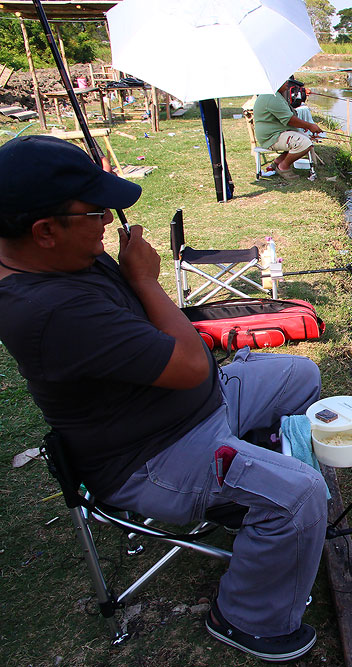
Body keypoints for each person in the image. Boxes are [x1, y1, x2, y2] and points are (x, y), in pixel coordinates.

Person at [0, 136, 327, 662]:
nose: (109, 221)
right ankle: (248, 618)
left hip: (196, 406)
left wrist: (131, 275)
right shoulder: (50, 311)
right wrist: (146, 282)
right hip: (151, 454)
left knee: (299, 375)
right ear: (43, 231)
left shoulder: (62, 257)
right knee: (301, 495)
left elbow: (180, 356)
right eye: (95, 211)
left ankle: (244, 489)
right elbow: (193, 361)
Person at [253, 77, 322, 181]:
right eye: (284, 81)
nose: (287, 83)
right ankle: (283, 167)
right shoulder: (271, 97)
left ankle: (277, 163)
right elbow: (289, 119)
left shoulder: (275, 95)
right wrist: (309, 126)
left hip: (277, 133)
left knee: (306, 140)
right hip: (271, 137)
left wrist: (304, 127)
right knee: (303, 143)